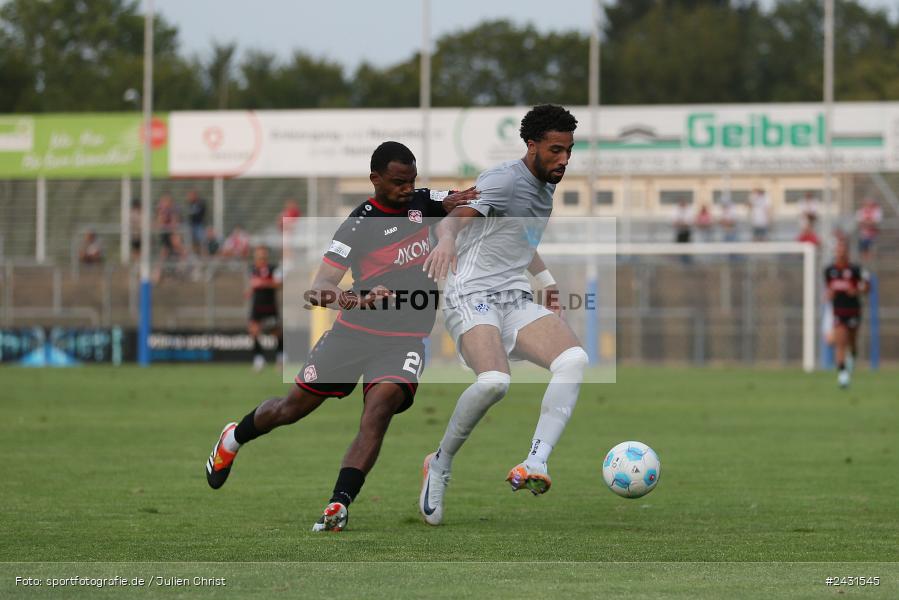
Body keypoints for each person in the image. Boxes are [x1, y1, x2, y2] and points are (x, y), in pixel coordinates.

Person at [205, 141, 477, 532]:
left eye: (412, 180)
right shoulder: (356, 225)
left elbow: (460, 201)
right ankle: (235, 436)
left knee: (378, 410)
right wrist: (357, 298)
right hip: (353, 334)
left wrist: (475, 201)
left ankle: (339, 503)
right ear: (375, 179)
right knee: (289, 409)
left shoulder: (420, 201)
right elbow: (319, 289)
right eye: (399, 182)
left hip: (404, 340)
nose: (407, 188)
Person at [418, 104, 589, 526]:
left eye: (569, 150)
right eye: (555, 150)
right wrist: (445, 240)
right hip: (469, 292)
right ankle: (439, 464)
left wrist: (547, 283)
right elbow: (454, 221)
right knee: (495, 382)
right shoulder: (503, 180)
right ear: (531, 146)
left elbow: (522, 242)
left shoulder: (545, 188)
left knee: (575, 360)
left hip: (513, 297)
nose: (564, 159)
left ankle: (536, 463)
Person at [824, 236, 869, 388]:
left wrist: (856, 290)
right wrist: (829, 294)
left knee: (852, 342)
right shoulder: (829, 271)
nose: (841, 252)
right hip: (838, 312)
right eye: (838, 249)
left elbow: (867, 287)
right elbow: (829, 289)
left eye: (843, 249)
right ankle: (842, 375)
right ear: (835, 251)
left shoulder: (856, 270)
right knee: (840, 342)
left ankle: (851, 360)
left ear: (847, 252)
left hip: (854, 310)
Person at [247, 245, 284, 372]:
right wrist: (249, 291)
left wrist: (263, 283)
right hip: (257, 305)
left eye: (262, 256)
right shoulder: (252, 269)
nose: (260, 258)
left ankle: (281, 357)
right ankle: (259, 359)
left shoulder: (274, 269)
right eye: (258, 256)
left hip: (269, 305)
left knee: (276, 332)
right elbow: (253, 285)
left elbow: (279, 284)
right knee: (253, 330)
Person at [855, 197, 882, 261]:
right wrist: (869, 222)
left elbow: (876, 222)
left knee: (871, 246)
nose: (868, 205)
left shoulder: (877, 210)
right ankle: (865, 259)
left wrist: (867, 223)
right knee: (862, 245)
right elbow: (860, 222)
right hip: (864, 234)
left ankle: (870, 259)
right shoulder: (861, 211)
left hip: (873, 234)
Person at [186, 189, 207, 255]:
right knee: (193, 242)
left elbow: (199, 214)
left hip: (199, 225)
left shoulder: (201, 203)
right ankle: (195, 256)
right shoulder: (191, 204)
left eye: (191, 195)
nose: (189, 197)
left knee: (201, 242)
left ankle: (203, 256)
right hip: (192, 225)